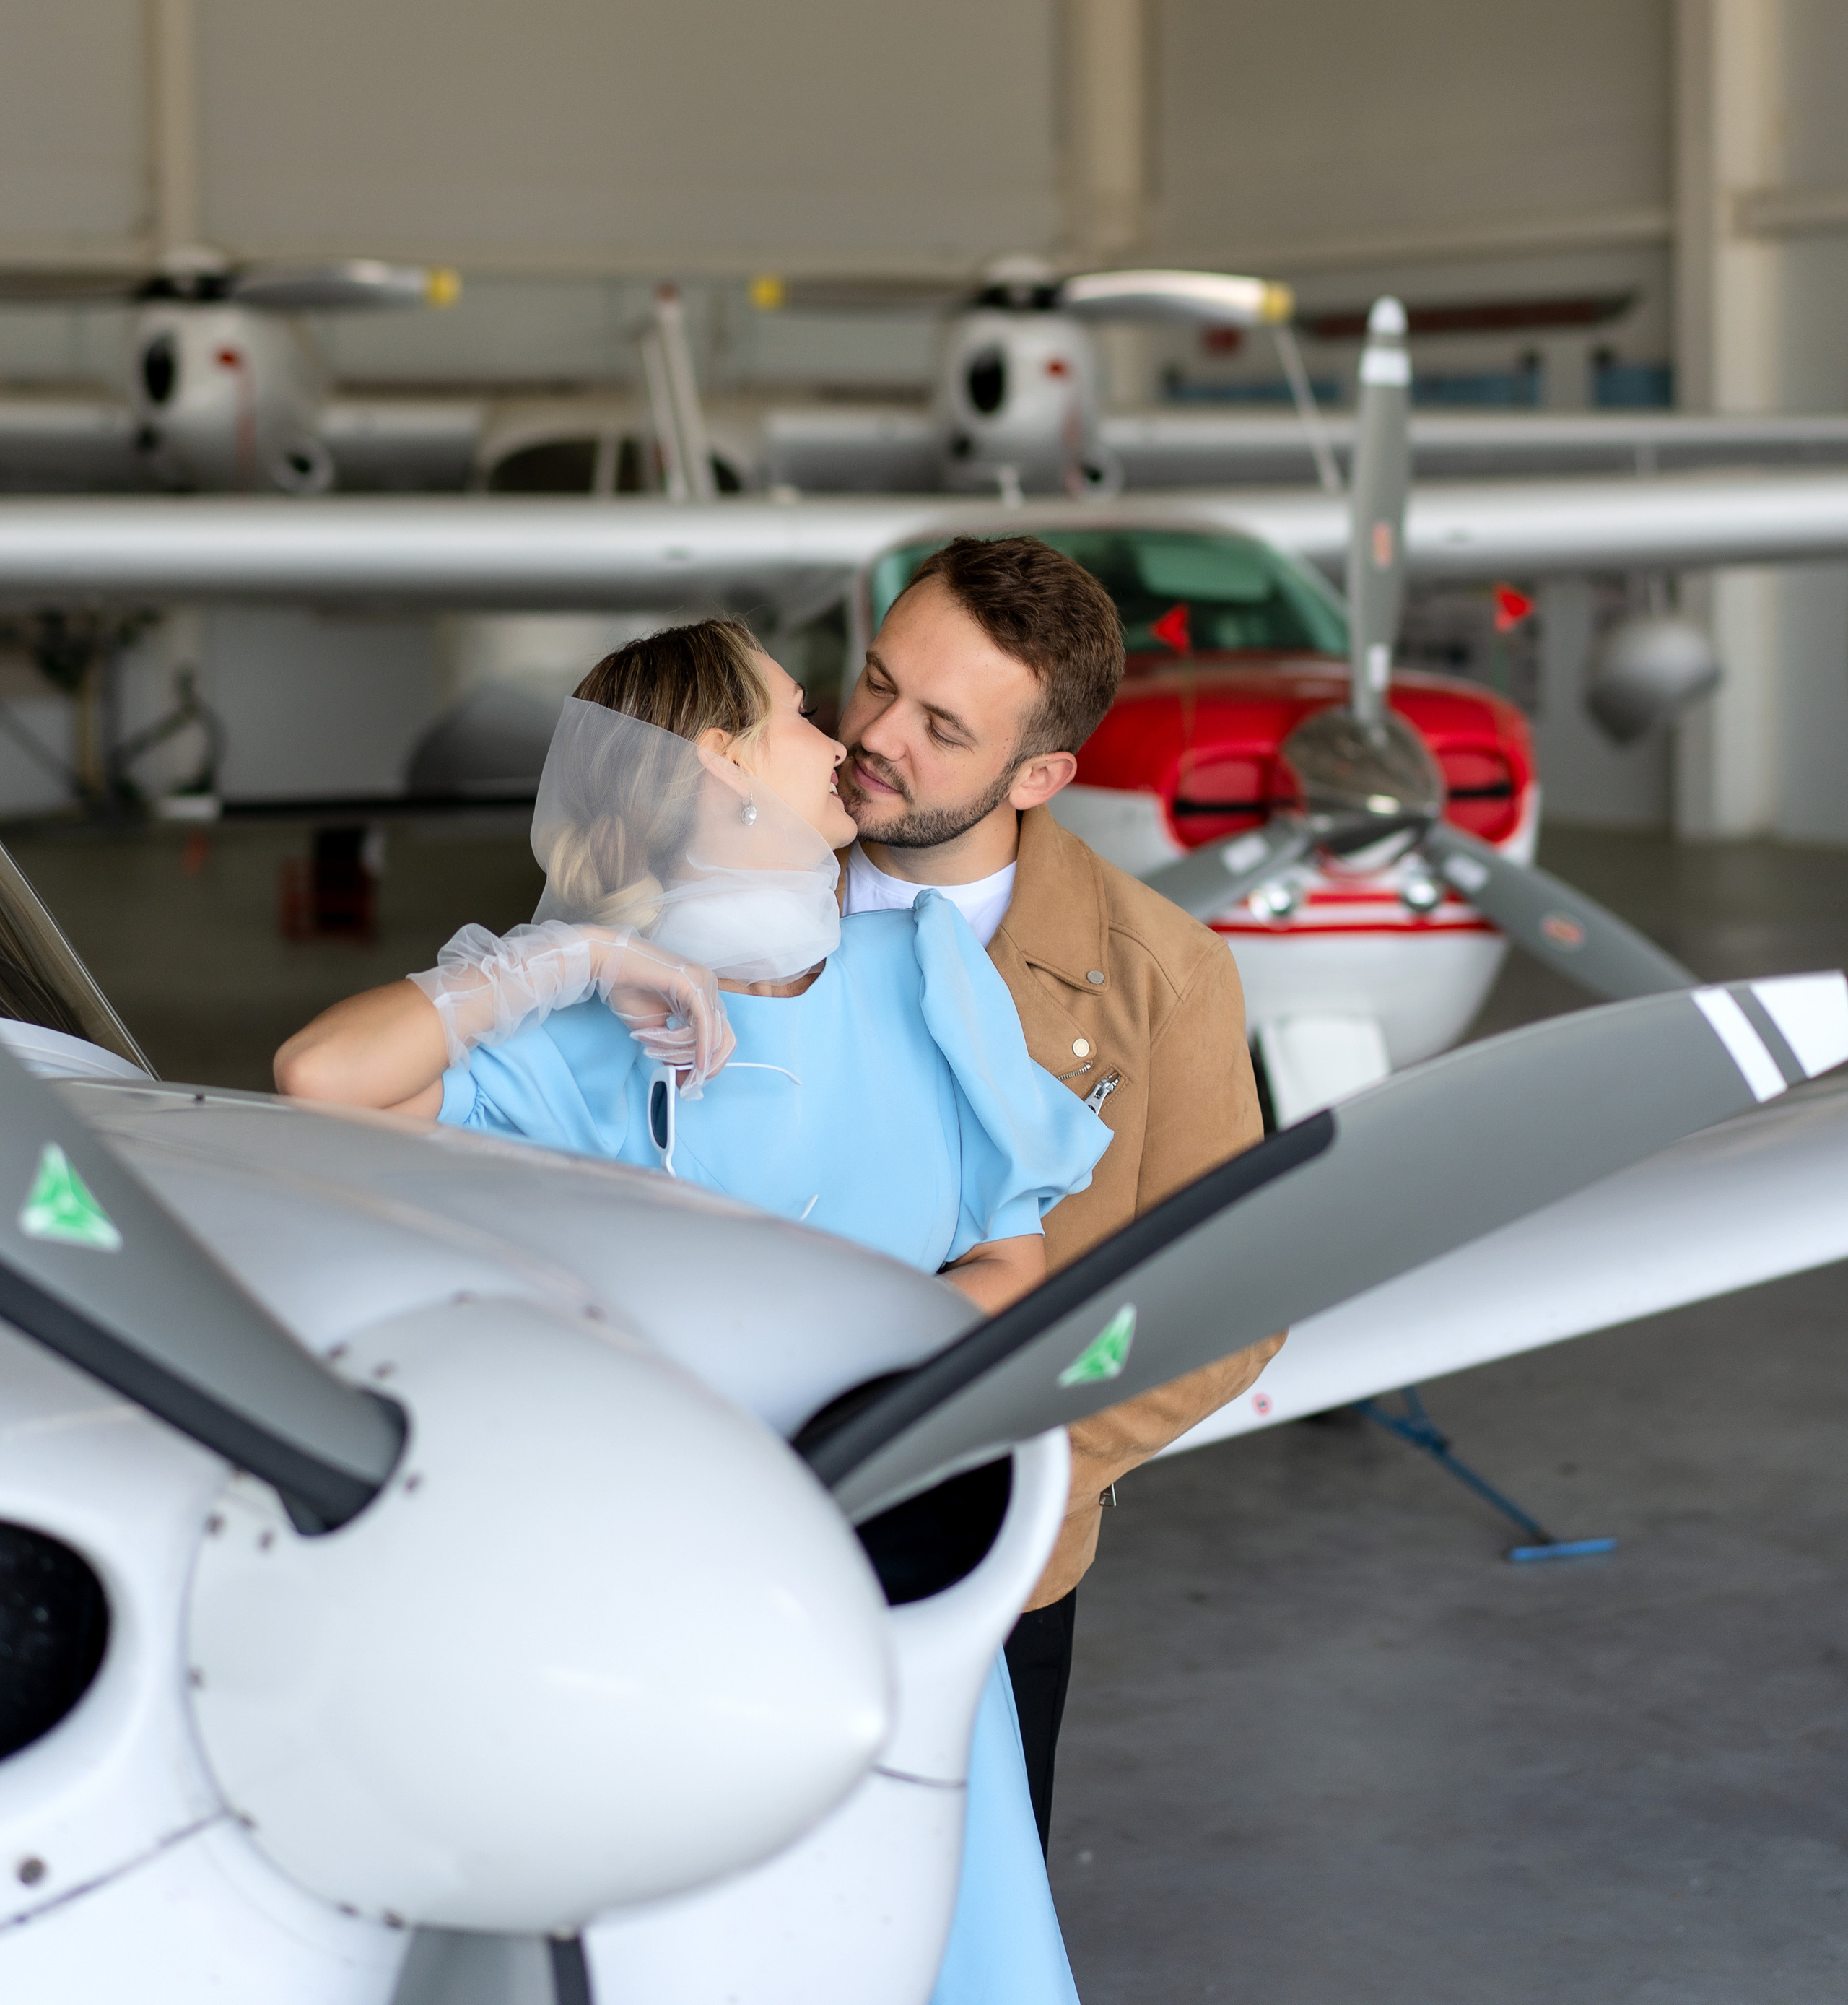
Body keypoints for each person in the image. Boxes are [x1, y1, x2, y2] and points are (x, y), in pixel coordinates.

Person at [275, 614, 1112, 2005]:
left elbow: (1011, 1262)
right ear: (721, 765)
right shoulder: (564, 1034)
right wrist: (575, 964)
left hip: (891, 1581)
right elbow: (319, 1083)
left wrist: (847, 1390)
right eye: (796, 713)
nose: (839, 738)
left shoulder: (926, 977)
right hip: (655, 1612)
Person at [837, 534, 1283, 1850]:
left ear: (1039, 776)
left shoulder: (1166, 976)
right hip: (710, 1535)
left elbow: (1226, 1300)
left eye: (939, 727)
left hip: (994, 1566)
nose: (870, 736)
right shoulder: (702, 890)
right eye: (871, 681)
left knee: (966, 1919)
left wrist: (1008, 1474)